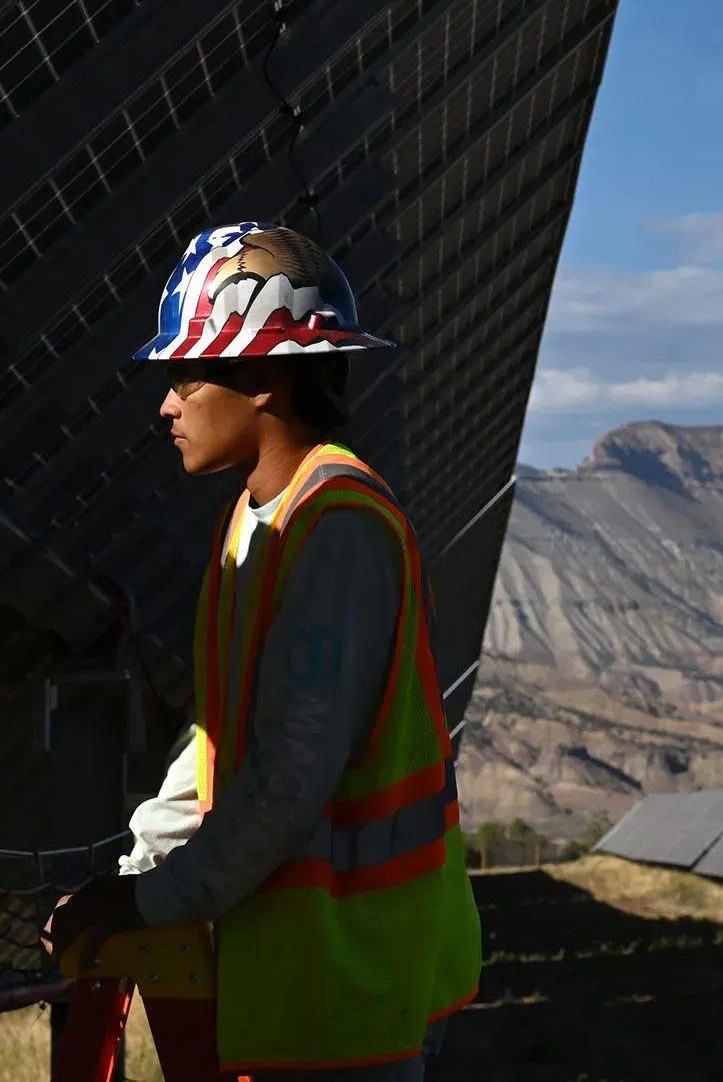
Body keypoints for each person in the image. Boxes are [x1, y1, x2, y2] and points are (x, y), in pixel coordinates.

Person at [51, 223, 482, 1079]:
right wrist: (138, 863)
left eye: (186, 375)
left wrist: (149, 898)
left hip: (356, 984)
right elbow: (221, 742)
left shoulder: (338, 529)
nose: (166, 404)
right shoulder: (255, 521)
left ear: (259, 378)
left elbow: (290, 775)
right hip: (299, 983)